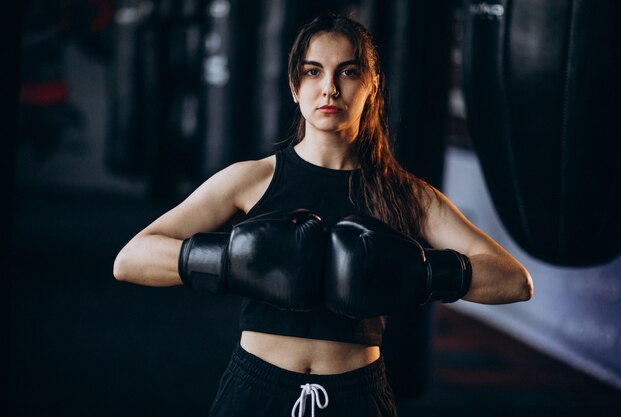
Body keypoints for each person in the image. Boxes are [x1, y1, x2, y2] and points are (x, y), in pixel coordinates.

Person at [113, 13, 533, 417]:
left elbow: (515, 280)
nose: (329, 88)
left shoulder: (405, 194)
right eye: (313, 72)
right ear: (295, 87)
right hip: (255, 389)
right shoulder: (251, 180)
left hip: (356, 394)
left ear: (372, 86)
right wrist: (231, 262)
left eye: (348, 72)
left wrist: (420, 275)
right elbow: (130, 260)